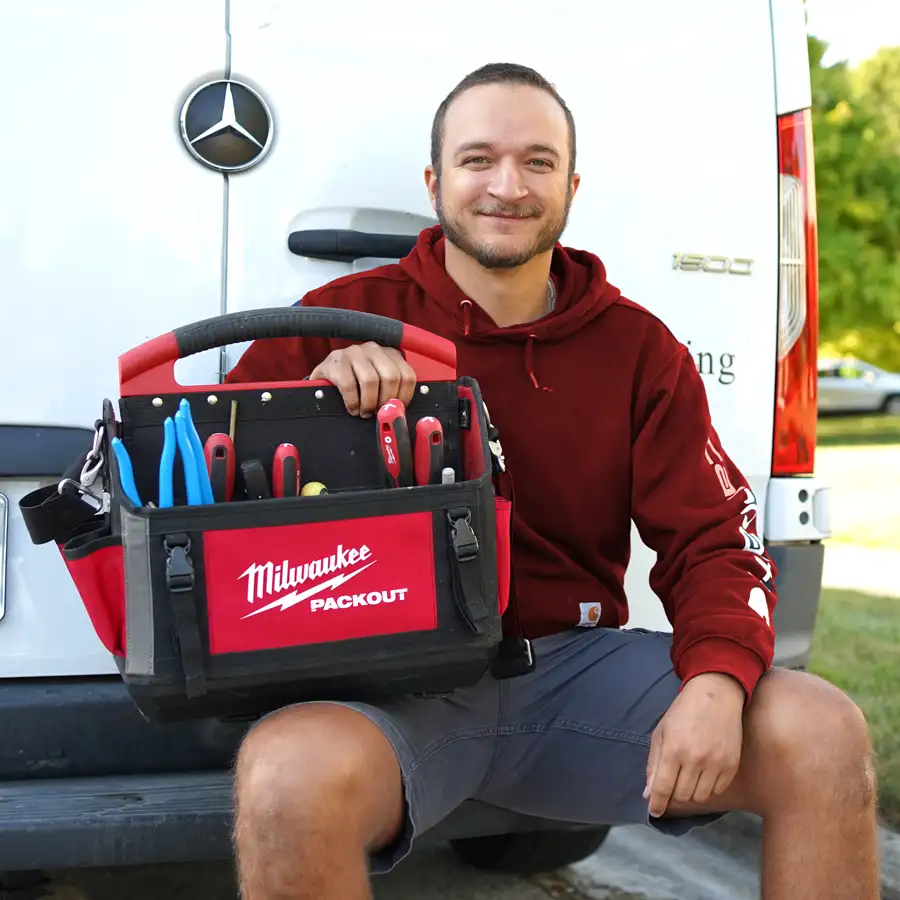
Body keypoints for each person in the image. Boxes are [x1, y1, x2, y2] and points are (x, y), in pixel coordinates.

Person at [225, 63, 879, 900]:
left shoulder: (639, 349)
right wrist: (311, 408)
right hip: (391, 695)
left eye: (537, 162)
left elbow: (716, 539)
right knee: (283, 775)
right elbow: (212, 503)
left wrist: (717, 679)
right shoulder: (335, 321)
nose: (507, 186)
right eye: (477, 160)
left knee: (822, 733)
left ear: (571, 185)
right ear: (435, 182)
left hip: (573, 677)